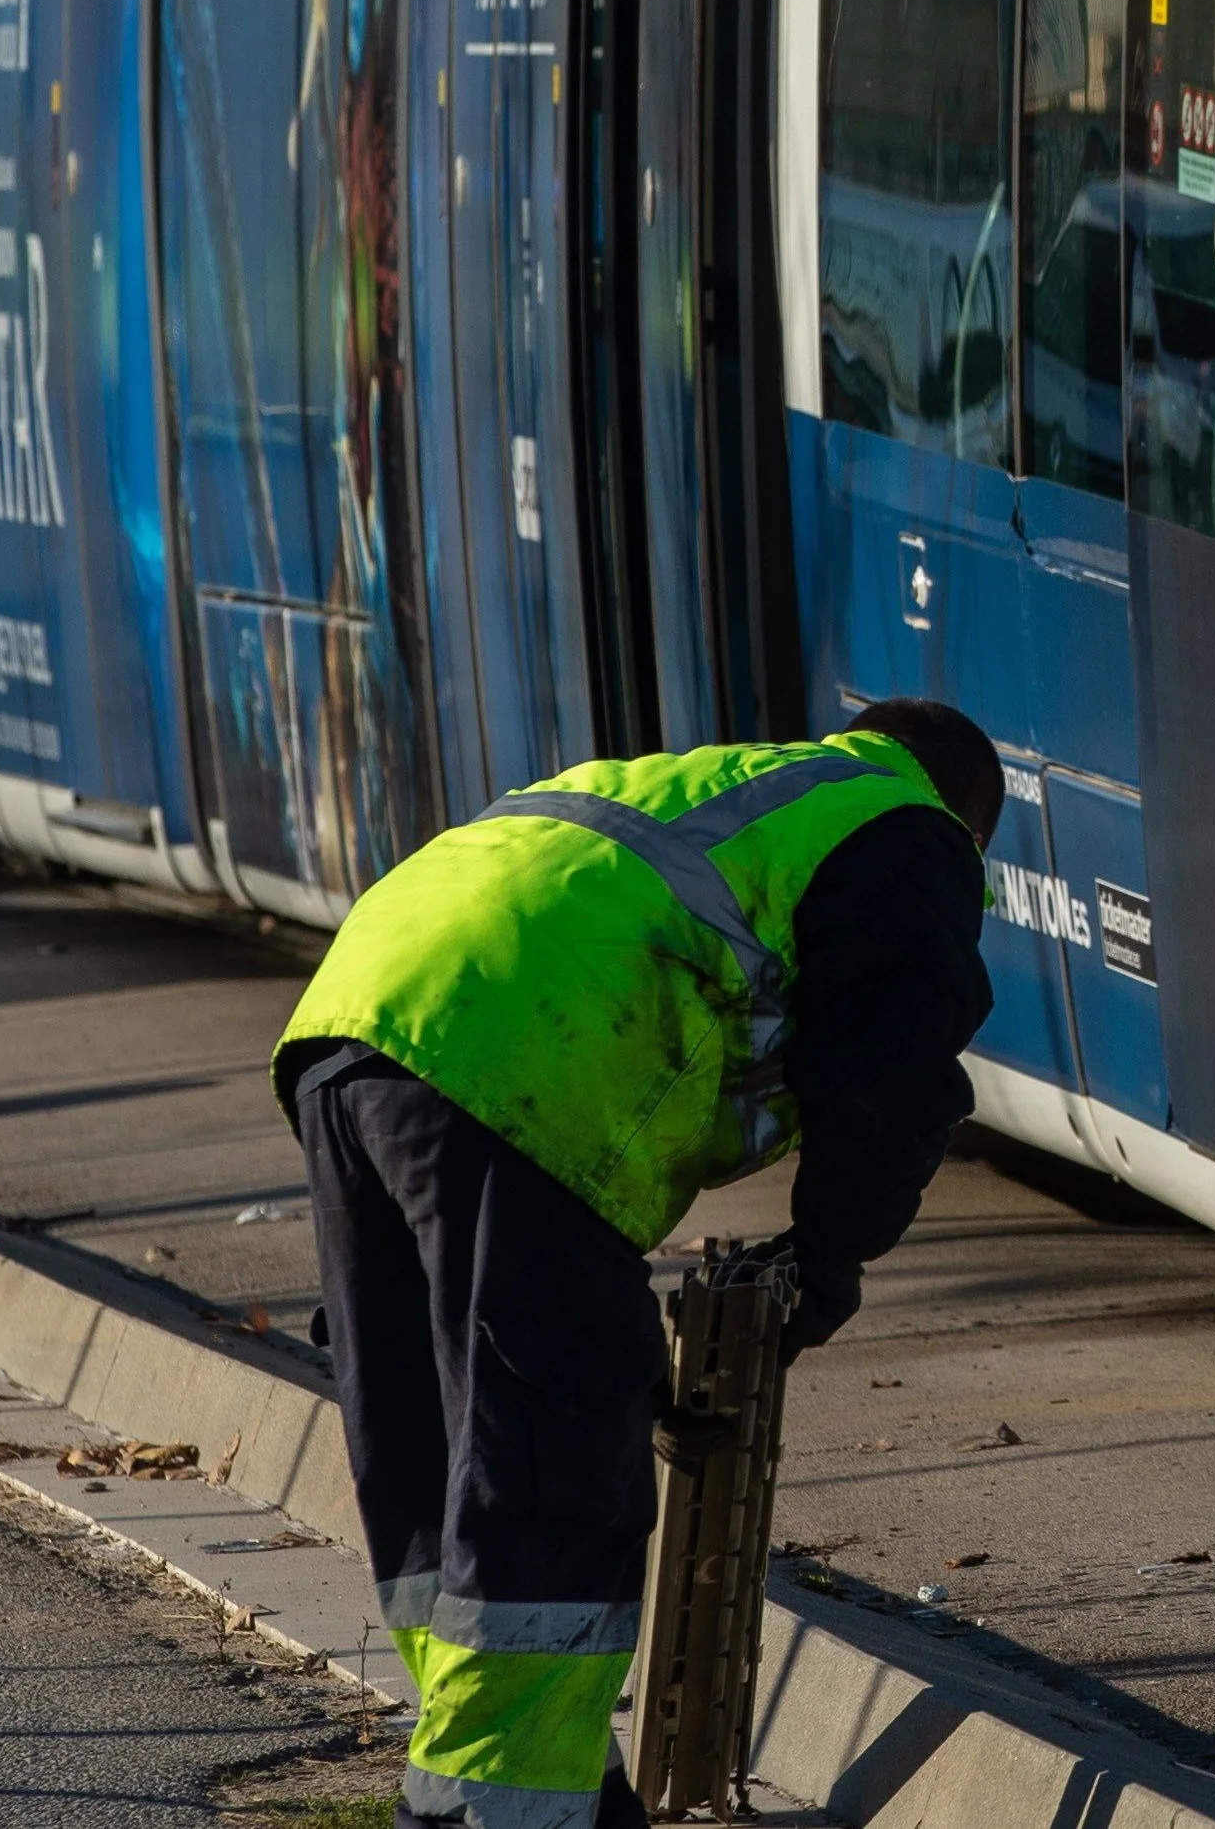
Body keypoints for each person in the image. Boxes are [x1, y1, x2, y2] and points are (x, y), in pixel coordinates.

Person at [276, 699, 1002, 1828]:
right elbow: (891, 1086)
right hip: (511, 1068)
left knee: (434, 1456)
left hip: (354, 1024)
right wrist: (824, 1269)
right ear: (971, 819)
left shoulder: (724, 786)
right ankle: (493, 1813)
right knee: (551, 1467)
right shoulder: (909, 826)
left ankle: (545, 1778)